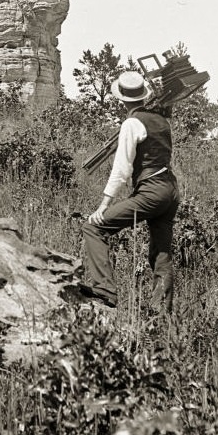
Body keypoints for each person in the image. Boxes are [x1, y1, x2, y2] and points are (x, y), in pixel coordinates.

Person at [80, 70, 180, 313]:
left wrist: (103, 206)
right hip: (171, 190)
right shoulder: (161, 121)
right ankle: (160, 313)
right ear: (143, 96)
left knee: (93, 227)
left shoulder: (131, 123)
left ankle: (104, 290)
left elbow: (122, 168)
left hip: (152, 190)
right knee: (161, 251)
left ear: (121, 99)